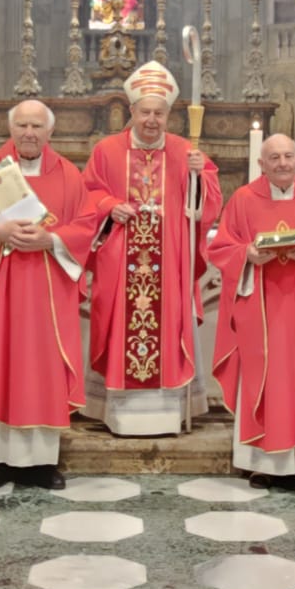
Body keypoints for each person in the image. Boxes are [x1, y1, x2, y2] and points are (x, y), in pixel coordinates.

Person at [0, 100, 99, 489]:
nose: (29, 133)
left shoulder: (69, 175)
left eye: (36, 126)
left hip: (48, 294)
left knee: (45, 373)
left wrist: (51, 239)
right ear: (11, 129)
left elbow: (86, 226)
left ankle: (43, 463)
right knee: (1, 366)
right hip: (1, 289)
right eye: (21, 125)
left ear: (49, 132)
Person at [83, 61, 223, 436]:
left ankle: (168, 413)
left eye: (159, 113)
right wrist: (110, 206)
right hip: (119, 265)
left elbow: (206, 205)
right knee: (120, 331)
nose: (152, 120)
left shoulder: (185, 151)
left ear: (168, 115)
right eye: (145, 112)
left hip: (170, 263)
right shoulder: (106, 150)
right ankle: (119, 414)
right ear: (131, 112)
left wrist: (199, 176)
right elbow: (88, 196)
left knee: (166, 329)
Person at [205, 134, 295, 490]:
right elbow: (223, 247)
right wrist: (247, 255)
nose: (282, 163)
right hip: (261, 311)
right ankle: (262, 464)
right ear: (261, 163)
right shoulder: (242, 200)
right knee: (264, 379)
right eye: (274, 158)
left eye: (288, 156)